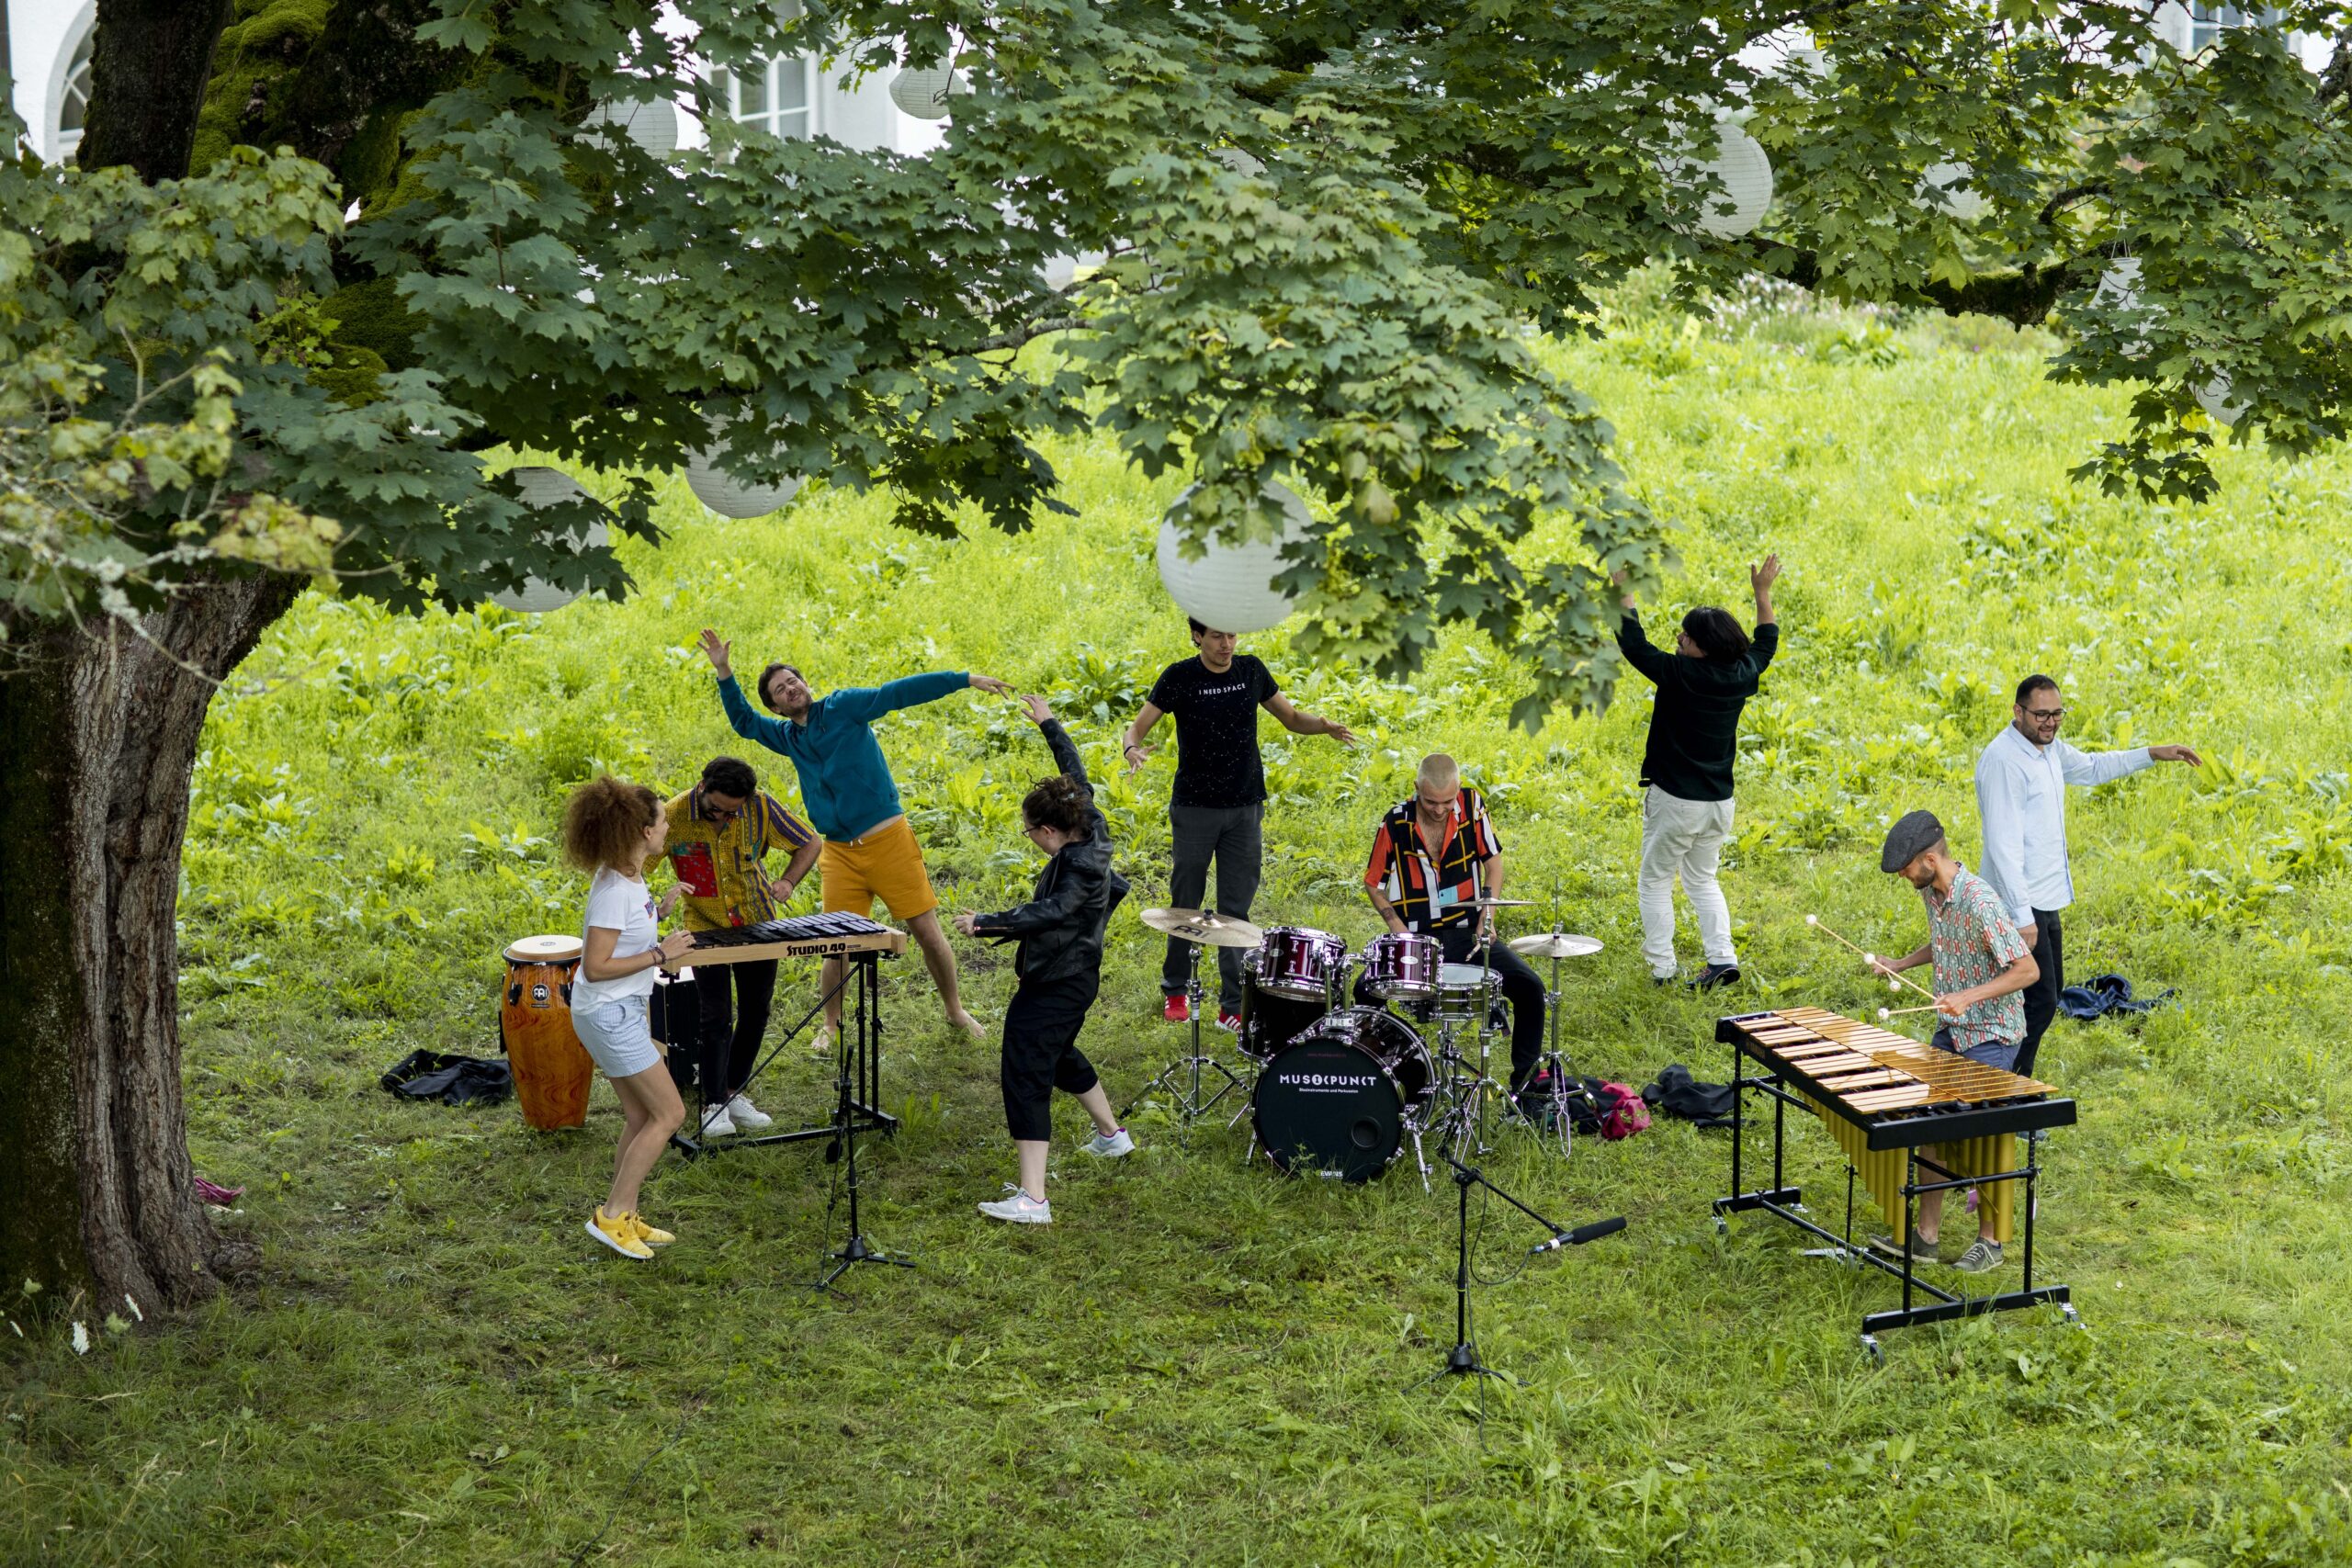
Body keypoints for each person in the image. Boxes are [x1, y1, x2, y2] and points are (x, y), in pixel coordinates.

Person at [697, 628, 1010, 1047]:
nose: (791, 689)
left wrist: (963, 679)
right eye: (780, 690)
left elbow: (896, 693)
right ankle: (831, 1024)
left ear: (805, 684)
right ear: (776, 705)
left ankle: (954, 1010)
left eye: (794, 681)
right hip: (840, 853)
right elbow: (744, 723)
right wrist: (724, 672)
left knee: (925, 930)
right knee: (835, 944)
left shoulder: (843, 707)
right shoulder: (789, 737)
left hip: (888, 841)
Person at [1121, 617, 1356, 1029]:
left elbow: (1291, 718)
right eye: (1216, 636)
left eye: (1231, 635)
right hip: (1194, 808)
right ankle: (1176, 988)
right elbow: (1137, 727)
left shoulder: (1251, 670)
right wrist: (1132, 749)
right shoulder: (1180, 677)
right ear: (1197, 636)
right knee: (1185, 905)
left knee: (1236, 912)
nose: (1226, 644)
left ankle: (1232, 1004)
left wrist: (1322, 726)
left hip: (1245, 809)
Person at [955, 695, 1135, 1224]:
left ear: (1050, 832)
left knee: (1025, 1071)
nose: (1030, 838)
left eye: (1030, 831)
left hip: (1060, 979)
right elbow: (1074, 774)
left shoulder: (1078, 870)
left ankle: (1033, 1199)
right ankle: (1112, 1137)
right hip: (1072, 979)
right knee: (1055, 1053)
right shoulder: (1090, 823)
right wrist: (1049, 723)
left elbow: (1050, 911)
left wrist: (984, 921)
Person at [1974, 674, 2201, 1078]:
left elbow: (2093, 768)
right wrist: (2022, 917)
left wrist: (2153, 753)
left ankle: (2007, 1090)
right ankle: (2004, 1092)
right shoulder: (2003, 761)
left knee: (2047, 995)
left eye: (2057, 713)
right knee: (2038, 1002)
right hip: (2018, 904)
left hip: (2045, 898)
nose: (2051, 722)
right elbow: (2002, 845)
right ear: (2018, 712)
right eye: (2041, 714)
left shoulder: (2048, 750)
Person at [1866, 809, 2041, 1276]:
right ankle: (1925, 1238)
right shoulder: (1933, 893)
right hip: (1953, 1028)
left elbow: (2027, 970)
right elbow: (1946, 945)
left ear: (1929, 859)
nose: (1904, 877)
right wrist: (1901, 964)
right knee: (1929, 1127)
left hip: (1992, 1033)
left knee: (1980, 1136)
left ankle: (1990, 1241)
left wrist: (1969, 995)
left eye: (1907, 869)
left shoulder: (1980, 901)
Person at [1614, 556, 1781, 989]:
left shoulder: (1680, 674)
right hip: (1718, 804)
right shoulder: (1742, 672)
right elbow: (1767, 641)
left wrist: (1623, 591)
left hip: (1676, 803)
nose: (1679, 640)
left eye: (1686, 636)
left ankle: (1662, 969)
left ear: (1702, 647)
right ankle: (1722, 959)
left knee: (1654, 881)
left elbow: (1633, 645)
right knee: (1702, 878)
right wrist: (1762, 593)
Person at [560, 776, 697, 1260]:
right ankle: (613, 1216)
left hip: (616, 1012)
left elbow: (625, 935)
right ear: (642, 831)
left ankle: (624, 1214)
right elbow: (596, 968)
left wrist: (661, 910)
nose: (667, 827)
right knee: (671, 1113)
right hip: (609, 1013)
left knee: (641, 1115)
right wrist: (661, 954)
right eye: (662, 820)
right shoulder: (615, 889)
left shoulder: (629, 874)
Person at [1360, 753, 1547, 1096]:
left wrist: (1486, 916)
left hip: (1465, 934)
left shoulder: (1473, 805)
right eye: (1431, 801)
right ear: (1417, 789)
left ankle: (1527, 1084)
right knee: (1363, 991)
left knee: (1530, 987)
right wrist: (1398, 930)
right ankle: (1393, 1074)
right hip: (1418, 940)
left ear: (1458, 790)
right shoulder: (1395, 822)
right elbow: (1373, 883)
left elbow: (1494, 864)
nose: (1439, 809)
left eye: (1447, 801)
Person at [655, 755, 822, 1136]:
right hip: (704, 927)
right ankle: (713, 1104)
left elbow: (810, 841)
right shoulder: (674, 815)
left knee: (756, 1012)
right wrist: (656, 906)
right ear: (702, 788)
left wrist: (789, 881)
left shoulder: (760, 806)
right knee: (715, 1015)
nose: (724, 818)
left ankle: (734, 1092)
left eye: (733, 812)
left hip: (758, 922)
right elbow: (637, 861)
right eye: (717, 809)